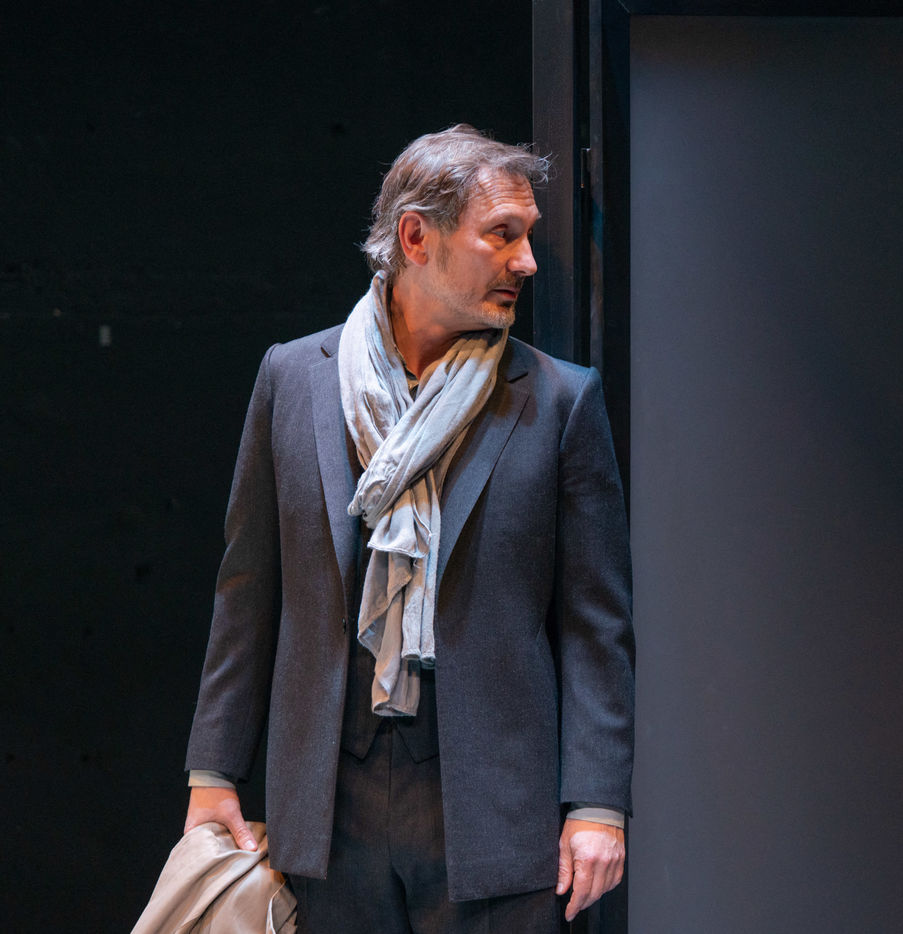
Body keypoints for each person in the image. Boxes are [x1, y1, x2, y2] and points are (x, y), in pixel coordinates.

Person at [182, 124, 635, 933]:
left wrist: (597, 803)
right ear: (416, 238)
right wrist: (213, 769)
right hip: (328, 808)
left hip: (497, 811)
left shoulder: (559, 400)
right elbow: (248, 588)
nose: (527, 261)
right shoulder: (295, 378)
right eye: (502, 235)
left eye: (528, 236)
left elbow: (594, 624)